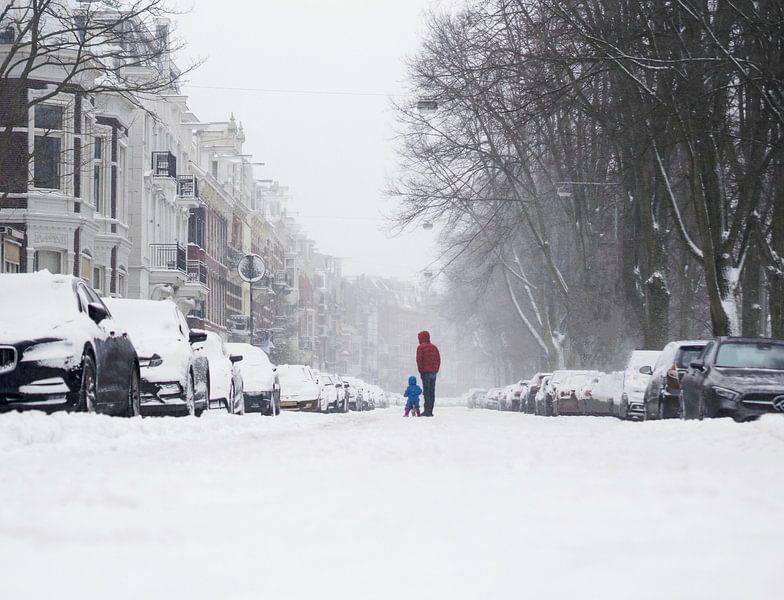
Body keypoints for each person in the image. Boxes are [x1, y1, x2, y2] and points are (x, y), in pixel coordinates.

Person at [416, 330, 441, 417]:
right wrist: (436, 369)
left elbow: (419, 361)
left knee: (426, 392)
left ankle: (427, 411)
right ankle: (430, 411)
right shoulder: (434, 347)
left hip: (425, 373)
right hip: (433, 373)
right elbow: (438, 359)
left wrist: (421, 371)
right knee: (432, 392)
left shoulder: (420, 348)